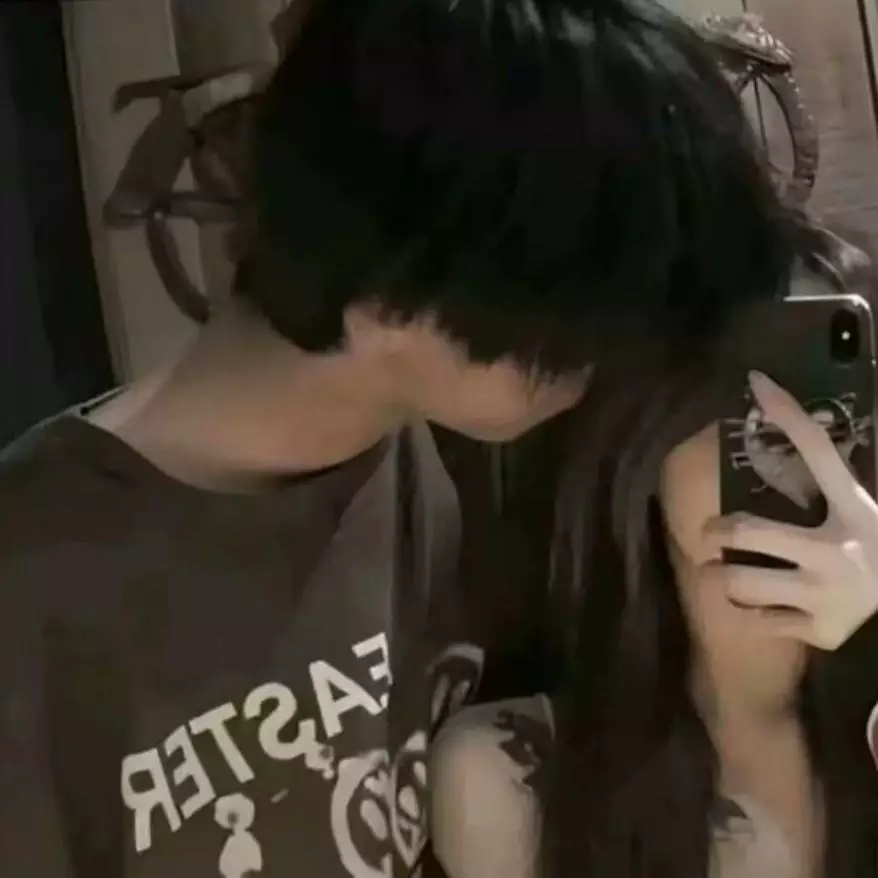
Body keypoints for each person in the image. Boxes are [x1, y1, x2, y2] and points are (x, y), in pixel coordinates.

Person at [0, 0, 815, 875]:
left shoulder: (468, 450)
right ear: (391, 294)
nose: (612, 357)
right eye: (589, 316)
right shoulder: (39, 587)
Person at [431, 367, 878, 878]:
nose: (791, 458)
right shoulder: (510, 778)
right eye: (748, 416)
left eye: (830, 417)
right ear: (651, 439)